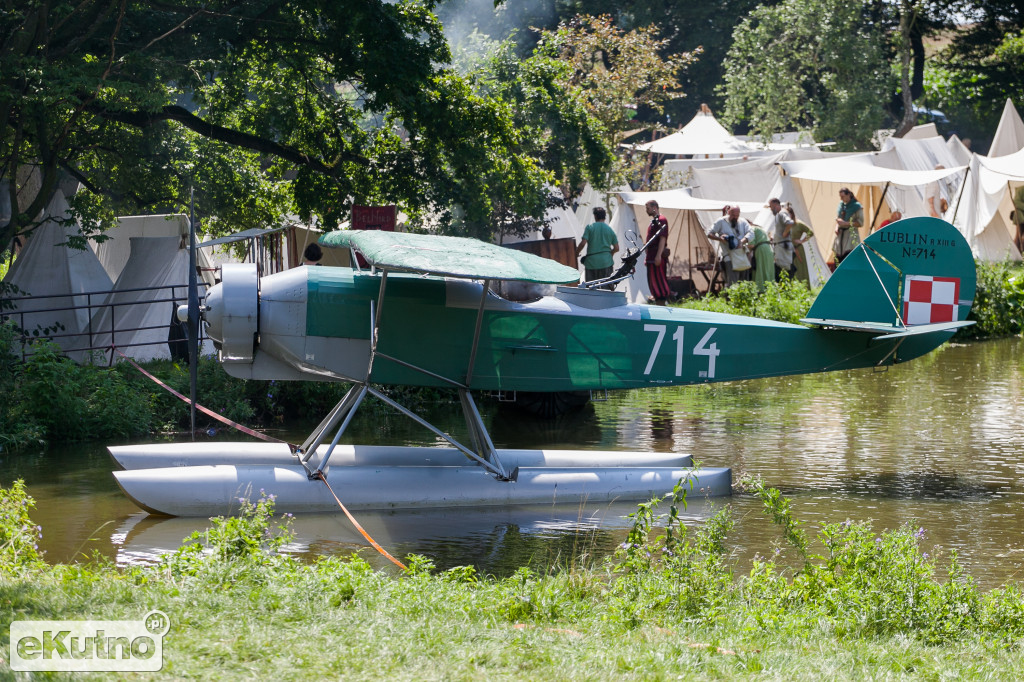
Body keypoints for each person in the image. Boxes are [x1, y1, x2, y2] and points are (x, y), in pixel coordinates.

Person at [708, 205, 752, 285]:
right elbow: (709, 233)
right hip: (729, 256)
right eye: (733, 215)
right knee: (732, 282)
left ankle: (743, 297)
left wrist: (742, 242)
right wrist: (720, 239)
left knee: (743, 282)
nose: (735, 217)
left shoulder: (743, 221)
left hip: (742, 255)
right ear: (728, 212)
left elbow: (751, 233)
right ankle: (731, 297)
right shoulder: (721, 221)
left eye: (737, 215)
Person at [576, 206, 619, 285]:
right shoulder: (610, 230)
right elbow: (616, 248)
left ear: (595, 216)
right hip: (606, 262)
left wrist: (576, 253)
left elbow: (583, 243)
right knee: (607, 288)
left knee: (592, 290)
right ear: (605, 217)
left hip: (591, 263)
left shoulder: (590, 227)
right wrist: (610, 253)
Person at [644, 200, 672, 304]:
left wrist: (658, 256)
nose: (646, 211)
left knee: (659, 285)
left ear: (654, 207)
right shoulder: (653, 221)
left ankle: (662, 306)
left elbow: (662, 238)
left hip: (656, 256)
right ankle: (658, 303)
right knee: (653, 283)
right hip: (651, 256)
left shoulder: (662, 219)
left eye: (648, 208)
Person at [833, 187, 863, 265]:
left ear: (848, 194)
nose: (841, 198)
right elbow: (838, 219)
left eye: (842, 196)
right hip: (840, 237)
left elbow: (860, 223)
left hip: (850, 236)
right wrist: (836, 227)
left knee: (849, 260)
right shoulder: (841, 205)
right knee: (838, 260)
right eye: (840, 197)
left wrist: (846, 223)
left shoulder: (857, 206)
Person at [785, 203, 814, 284]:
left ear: (791, 214)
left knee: (800, 269)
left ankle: (803, 288)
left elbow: (810, 232)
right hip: (788, 251)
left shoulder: (798, 224)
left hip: (798, 249)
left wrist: (802, 241)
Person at [767, 197, 793, 279]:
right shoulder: (779, 215)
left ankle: (787, 289)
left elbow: (790, 222)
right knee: (780, 268)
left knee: (784, 269)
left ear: (775, 205)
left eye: (771, 206)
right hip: (780, 246)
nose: (770, 209)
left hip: (783, 246)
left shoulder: (782, 213)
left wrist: (785, 233)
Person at [744, 223, 775, 292]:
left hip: (761, 249)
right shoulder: (759, 228)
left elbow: (751, 245)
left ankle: (761, 290)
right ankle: (770, 289)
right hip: (768, 249)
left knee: (761, 269)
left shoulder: (751, 229)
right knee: (768, 269)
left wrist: (744, 247)